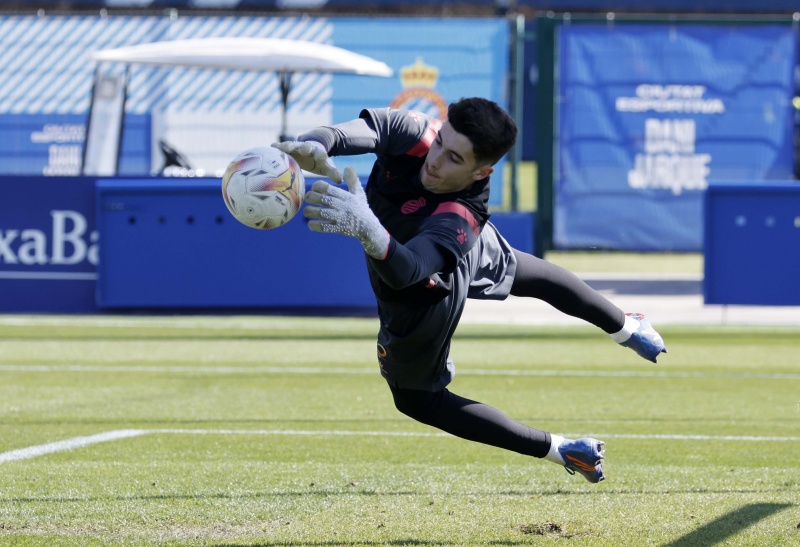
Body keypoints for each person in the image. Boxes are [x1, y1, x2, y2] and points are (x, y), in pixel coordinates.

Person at [273, 97, 666, 484]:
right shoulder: (416, 133)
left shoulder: (463, 216)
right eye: (442, 141)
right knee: (527, 273)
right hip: (419, 250)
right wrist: (317, 143)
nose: (436, 160)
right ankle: (628, 326)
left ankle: (560, 449)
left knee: (416, 400)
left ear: (482, 173)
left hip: (428, 280)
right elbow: (354, 132)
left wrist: (369, 230)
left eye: (455, 159)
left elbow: (407, 272)